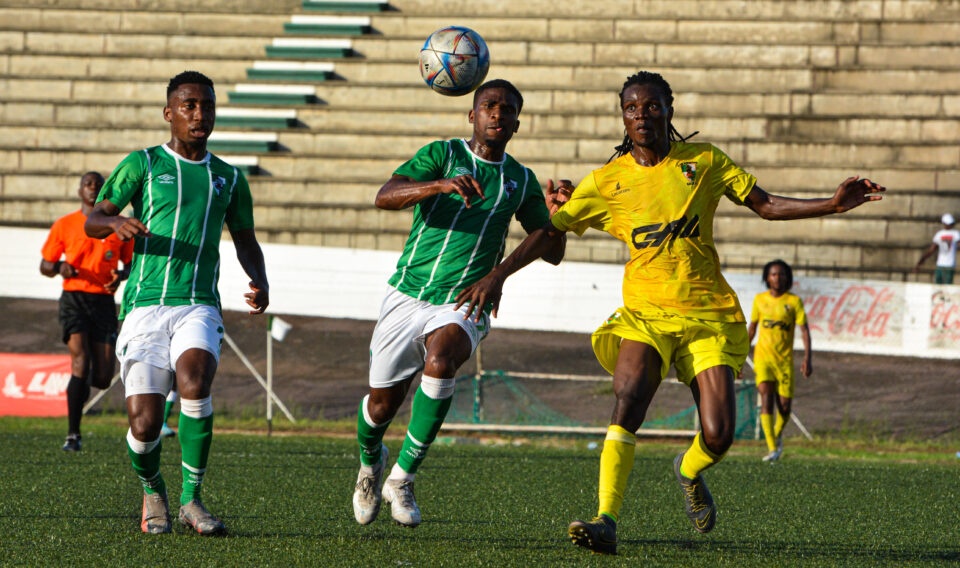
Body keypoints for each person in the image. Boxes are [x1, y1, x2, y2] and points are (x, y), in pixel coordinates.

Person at [455, 71, 884, 554]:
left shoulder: (704, 162)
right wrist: (499, 274)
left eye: (651, 106)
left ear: (669, 110)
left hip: (709, 316)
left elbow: (765, 205)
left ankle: (688, 469)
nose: (642, 116)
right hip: (646, 314)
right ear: (623, 117)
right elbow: (548, 233)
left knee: (719, 434)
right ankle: (606, 520)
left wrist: (831, 203)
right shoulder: (607, 181)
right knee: (629, 395)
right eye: (632, 109)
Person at [351, 79, 571, 529]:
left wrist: (557, 219)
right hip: (408, 292)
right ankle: (370, 467)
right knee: (380, 409)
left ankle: (403, 476)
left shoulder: (520, 179)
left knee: (443, 357)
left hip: (466, 298)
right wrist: (439, 186)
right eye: (489, 106)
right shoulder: (442, 154)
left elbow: (551, 250)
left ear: (517, 123)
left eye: (507, 109)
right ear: (472, 115)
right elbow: (385, 196)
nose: (497, 114)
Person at [84, 71, 269, 536]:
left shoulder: (228, 177)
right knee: (145, 424)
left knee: (194, 380)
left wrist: (260, 278)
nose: (198, 114)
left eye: (206, 105)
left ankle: (192, 500)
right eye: (188, 105)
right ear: (170, 113)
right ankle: (153, 491)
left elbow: (245, 238)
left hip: (198, 303)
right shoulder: (144, 164)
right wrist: (115, 223)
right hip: (146, 304)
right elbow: (93, 220)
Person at [40, 171, 133, 452]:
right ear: (80, 190)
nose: (93, 188)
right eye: (88, 184)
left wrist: (122, 275)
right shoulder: (65, 225)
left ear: (105, 191)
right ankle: (73, 435)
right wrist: (59, 268)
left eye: (98, 185)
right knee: (80, 360)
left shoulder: (119, 227)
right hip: (74, 299)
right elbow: (45, 265)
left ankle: (79, 389)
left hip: (104, 300)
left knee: (103, 378)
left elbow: (128, 264)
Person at [746, 259, 811, 462]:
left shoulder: (793, 302)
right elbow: (752, 329)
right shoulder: (759, 300)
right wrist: (740, 357)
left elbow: (804, 330)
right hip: (763, 358)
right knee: (766, 398)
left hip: (784, 361)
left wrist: (808, 358)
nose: (777, 277)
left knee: (785, 407)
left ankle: (776, 435)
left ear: (787, 278)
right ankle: (772, 448)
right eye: (773, 274)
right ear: (767, 277)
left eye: (781, 274)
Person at [914, 213, 959, 284]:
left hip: (947, 265)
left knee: (944, 287)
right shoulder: (943, 234)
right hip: (942, 264)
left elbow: (931, 250)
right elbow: (931, 250)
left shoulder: (953, 234)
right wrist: (921, 261)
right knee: (940, 287)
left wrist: (920, 261)